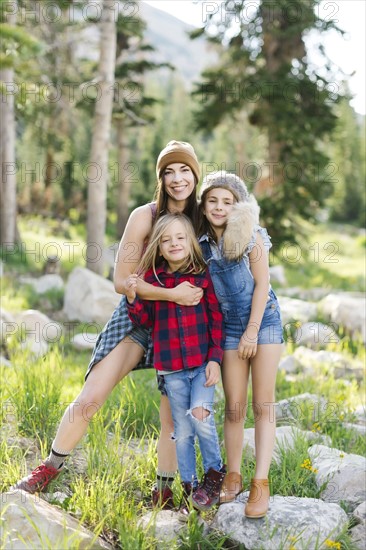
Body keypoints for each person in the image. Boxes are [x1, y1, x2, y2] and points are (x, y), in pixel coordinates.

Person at [13, 141, 205, 510]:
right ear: (161, 178)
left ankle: (164, 491)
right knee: (91, 397)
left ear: (196, 174)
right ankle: (49, 469)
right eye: (169, 171)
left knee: (172, 412)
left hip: (181, 326)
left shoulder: (204, 219)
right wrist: (172, 295)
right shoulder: (144, 216)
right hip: (138, 316)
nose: (177, 179)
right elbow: (121, 280)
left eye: (184, 170)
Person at [126, 213, 226, 514]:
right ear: (158, 246)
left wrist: (215, 359)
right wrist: (133, 297)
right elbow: (144, 320)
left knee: (200, 416)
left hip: (201, 364)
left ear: (191, 242)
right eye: (167, 240)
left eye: (181, 238)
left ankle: (214, 474)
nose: (174, 244)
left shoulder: (201, 274)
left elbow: (216, 318)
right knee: (181, 431)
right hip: (171, 368)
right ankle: (190, 487)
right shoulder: (154, 280)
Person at [198, 171, 284, 518]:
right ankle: (232, 475)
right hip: (229, 328)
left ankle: (260, 483)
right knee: (234, 405)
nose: (219, 207)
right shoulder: (201, 243)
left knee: (263, 403)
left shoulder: (252, 236)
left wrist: (251, 332)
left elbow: (262, 285)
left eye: (227, 201)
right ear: (203, 205)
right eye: (212, 200)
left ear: (238, 206)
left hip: (263, 323)